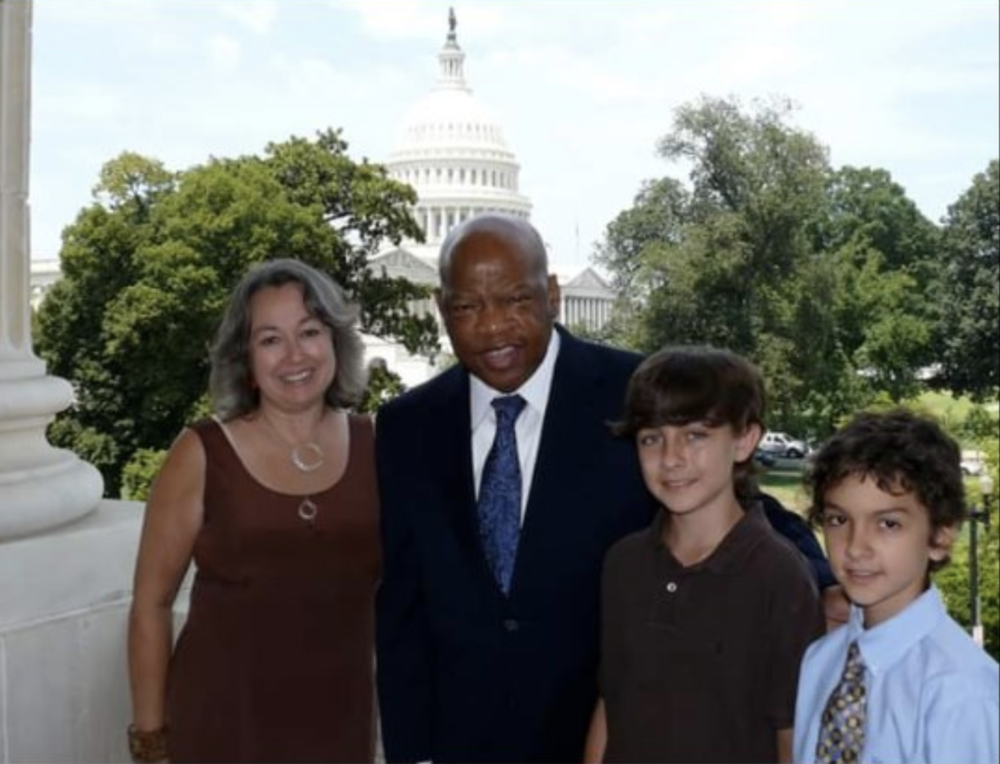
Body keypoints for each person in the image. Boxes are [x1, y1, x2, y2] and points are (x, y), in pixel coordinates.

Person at [374, 213, 836, 763]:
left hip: (597, 732)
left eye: (516, 300)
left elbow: (735, 497)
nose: (493, 326)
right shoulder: (407, 426)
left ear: (552, 295)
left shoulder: (633, 396)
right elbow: (402, 605)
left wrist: (828, 581)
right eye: (467, 307)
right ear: (441, 309)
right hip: (462, 739)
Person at [127, 258, 380, 763]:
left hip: (339, 729)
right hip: (221, 728)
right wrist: (151, 744)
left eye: (308, 331)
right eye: (270, 339)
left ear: (335, 340)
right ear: (245, 355)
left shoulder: (377, 445)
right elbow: (151, 605)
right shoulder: (201, 453)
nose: (294, 355)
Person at [584, 346, 825, 764]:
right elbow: (611, 703)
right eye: (651, 438)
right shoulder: (622, 563)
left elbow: (793, 736)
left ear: (745, 440)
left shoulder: (780, 576)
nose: (671, 458)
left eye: (695, 435)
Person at [793, 409, 999, 764]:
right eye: (839, 520)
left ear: (940, 536)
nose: (856, 546)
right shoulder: (820, 661)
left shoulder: (960, 692)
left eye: (888, 523)